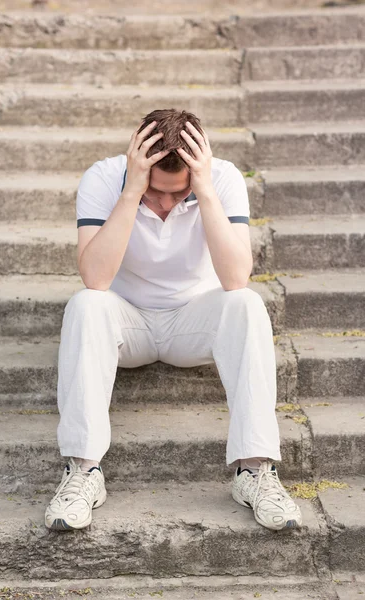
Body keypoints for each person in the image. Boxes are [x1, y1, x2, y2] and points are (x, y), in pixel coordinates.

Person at [45, 109, 302, 532]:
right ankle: (83, 472)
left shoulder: (222, 177)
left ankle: (254, 471)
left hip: (194, 323)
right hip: (126, 323)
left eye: (176, 192)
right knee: (85, 303)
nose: (165, 202)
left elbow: (236, 277)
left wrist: (203, 191)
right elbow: (96, 277)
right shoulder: (104, 178)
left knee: (248, 303)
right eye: (155, 191)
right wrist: (132, 193)